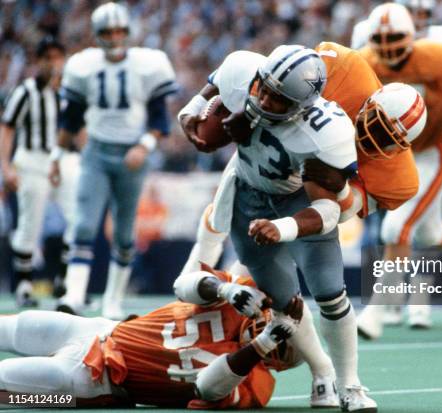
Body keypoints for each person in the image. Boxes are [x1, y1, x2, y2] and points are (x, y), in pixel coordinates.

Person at [178, 44, 377, 412]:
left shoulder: (325, 133)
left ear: (301, 107)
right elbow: (212, 89)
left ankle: (350, 385)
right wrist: (192, 112)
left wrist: (282, 227)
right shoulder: (243, 70)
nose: (264, 101)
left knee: (331, 294)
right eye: (263, 88)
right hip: (248, 195)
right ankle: (322, 375)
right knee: (288, 305)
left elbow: (329, 210)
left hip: (296, 201)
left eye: (278, 100)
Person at [355, 2, 442, 335]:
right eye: (381, 38)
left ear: (412, 34)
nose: (388, 46)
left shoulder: (437, 58)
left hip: (437, 150)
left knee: (395, 229)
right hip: (397, 155)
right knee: (429, 231)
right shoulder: (364, 63)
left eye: (396, 37)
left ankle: (376, 310)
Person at [0, 264, 303, 408]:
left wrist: (259, 347)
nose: (270, 332)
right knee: (8, 328)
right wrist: (225, 289)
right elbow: (182, 284)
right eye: (278, 331)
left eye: (281, 343)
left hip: (96, 380)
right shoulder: (241, 299)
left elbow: (206, 389)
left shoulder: (254, 386)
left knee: (7, 384)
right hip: (99, 329)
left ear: (281, 365)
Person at [49, 2, 178, 319]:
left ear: (128, 31)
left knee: (123, 233)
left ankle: (113, 302)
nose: (114, 37)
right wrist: (56, 155)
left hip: (132, 155)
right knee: (83, 225)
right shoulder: (84, 66)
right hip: (96, 151)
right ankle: (74, 295)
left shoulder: (148, 64)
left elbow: (161, 120)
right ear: (97, 34)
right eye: (107, 32)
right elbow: (71, 119)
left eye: (119, 30)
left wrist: (144, 145)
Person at [0, 37, 79, 307]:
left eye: (58, 57)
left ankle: (66, 282)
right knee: (30, 223)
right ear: (39, 61)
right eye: (49, 57)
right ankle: (23, 286)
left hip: (60, 159)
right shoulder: (26, 91)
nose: (54, 63)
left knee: (78, 219)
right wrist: (6, 167)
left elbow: (75, 129)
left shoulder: (67, 91)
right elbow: (7, 128)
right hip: (32, 160)